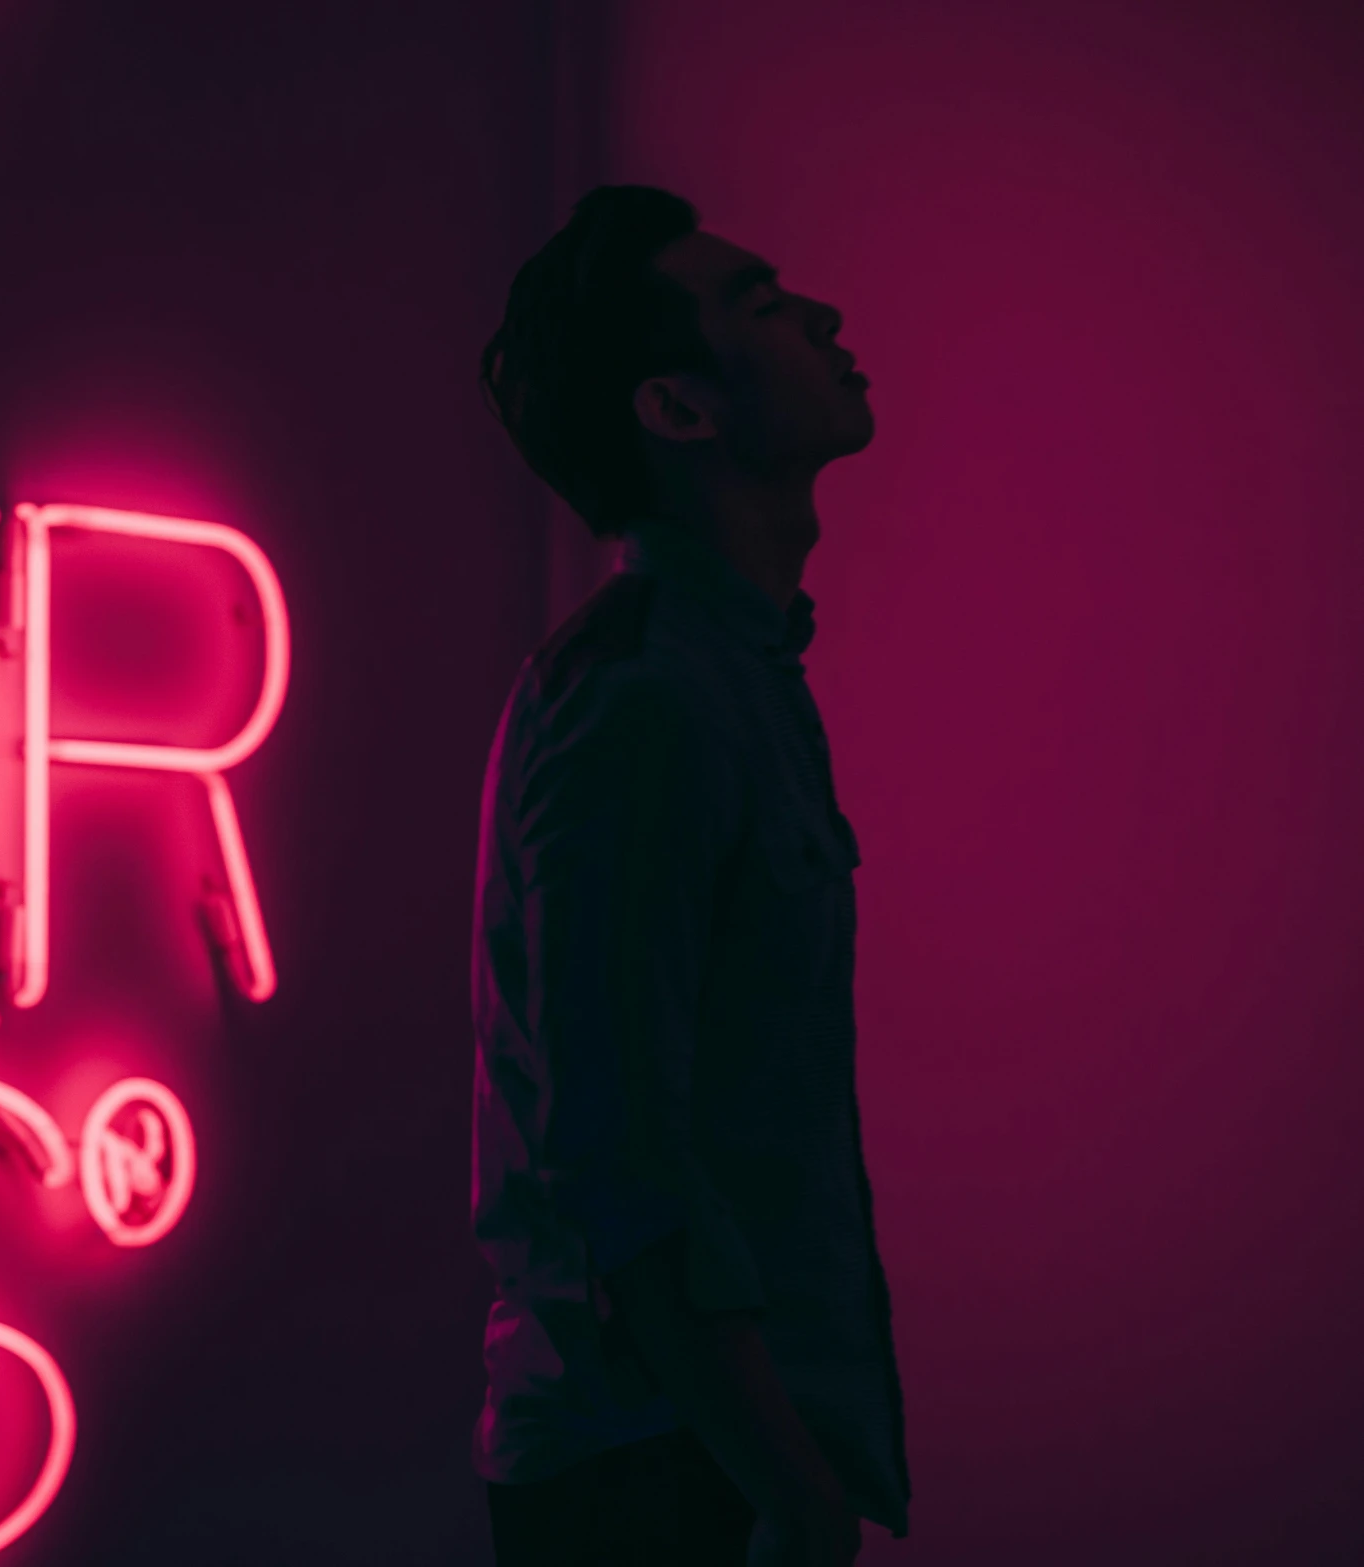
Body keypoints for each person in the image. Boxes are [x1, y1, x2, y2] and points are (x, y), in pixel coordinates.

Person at [468, 184, 910, 1567]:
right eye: (759, 305)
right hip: (663, 1476)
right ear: (678, 409)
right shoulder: (646, 701)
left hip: (704, 1458)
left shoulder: (732, 674)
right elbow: (618, 1155)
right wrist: (788, 1494)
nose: (824, 317)